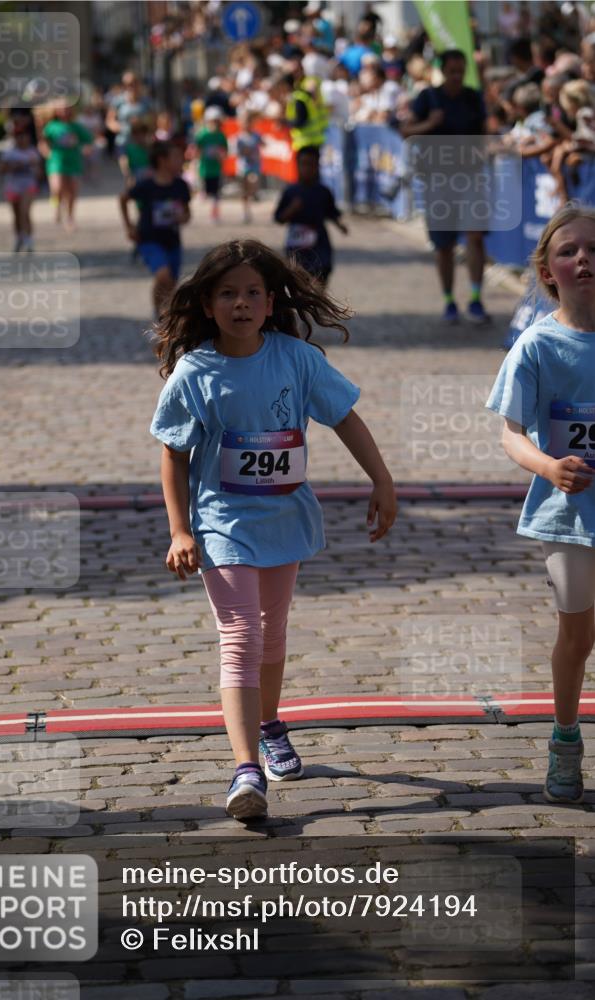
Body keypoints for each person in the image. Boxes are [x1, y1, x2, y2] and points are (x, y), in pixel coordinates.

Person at [150, 239, 397, 820]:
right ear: (207, 304)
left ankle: (269, 723)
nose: (241, 303)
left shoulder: (297, 359)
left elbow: (345, 418)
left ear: (270, 301)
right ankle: (246, 771)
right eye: (228, 293)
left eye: (252, 293)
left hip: (285, 518)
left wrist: (382, 480)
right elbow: (173, 454)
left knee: (273, 630)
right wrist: (180, 531)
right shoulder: (195, 371)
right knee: (241, 636)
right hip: (223, 523)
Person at [486, 203, 595, 805]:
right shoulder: (537, 345)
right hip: (569, 514)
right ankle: (565, 737)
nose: (584, 259)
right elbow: (510, 433)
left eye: (594, 249)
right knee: (577, 637)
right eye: (569, 251)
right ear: (548, 271)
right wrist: (551, 467)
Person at [401, 49, 490, 325]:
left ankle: (475, 298)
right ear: (442, 70)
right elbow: (406, 131)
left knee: (475, 237)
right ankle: (449, 300)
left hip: (470, 178)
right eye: (452, 71)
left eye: (460, 70)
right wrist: (430, 123)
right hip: (438, 181)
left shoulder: (473, 97)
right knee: (445, 245)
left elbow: (485, 132)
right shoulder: (428, 97)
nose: (456, 76)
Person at [120, 140, 191, 318]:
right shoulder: (146, 185)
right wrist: (129, 227)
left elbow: (187, 213)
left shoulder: (181, 185)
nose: (181, 160)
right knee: (163, 276)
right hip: (149, 239)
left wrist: (183, 217)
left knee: (170, 283)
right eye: (176, 157)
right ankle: (159, 315)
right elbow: (123, 199)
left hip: (172, 240)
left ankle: (161, 315)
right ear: (162, 160)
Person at [274, 145, 348, 285]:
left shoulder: (323, 191)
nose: (308, 169)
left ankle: (318, 304)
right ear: (297, 165)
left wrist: (340, 226)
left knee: (321, 278)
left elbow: (331, 212)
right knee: (299, 282)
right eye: (304, 164)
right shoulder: (291, 191)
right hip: (297, 246)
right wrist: (291, 209)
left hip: (319, 242)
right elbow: (279, 218)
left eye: (312, 165)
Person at [40, 99, 93, 232]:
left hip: (73, 162)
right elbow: (43, 142)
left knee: (72, 192)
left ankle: (70, 218)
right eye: (61, 108)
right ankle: (56, 207)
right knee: (57, 188)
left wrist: (86, 148)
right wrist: (46, 152)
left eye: (66, 108)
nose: (64, 111)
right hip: (56, 161)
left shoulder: (76, 126)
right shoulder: (51, 126)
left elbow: (89, 140)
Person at [0, 125, 41, 251]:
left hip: (29, 185)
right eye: (19, 137)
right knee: (16, 214)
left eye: (24, 137)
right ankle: (19, 237)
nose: (22, 139)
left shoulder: (33, 152)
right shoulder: (9, 152)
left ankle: (29, 239)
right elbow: (0, 170)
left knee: (25, 211)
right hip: (12, 186)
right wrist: (14, 167)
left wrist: (34, 166)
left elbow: (40, 173)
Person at [194, 107, 228, 222]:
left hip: (216, 169)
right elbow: (196, 150)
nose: (215, 124)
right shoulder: (202, 135)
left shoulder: (221, 136)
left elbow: (225, 151)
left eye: (217, 121)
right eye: (213, 121)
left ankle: (214, 214)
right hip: (204, 169)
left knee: (216, 194)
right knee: (204, 194)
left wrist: (220, 155)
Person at [236, 110, 263, 224]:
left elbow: (263, 143)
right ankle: (246, 212)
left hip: (254, 165)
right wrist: (245, 151)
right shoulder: (240, 137)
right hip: (243, 166)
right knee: (244, 191)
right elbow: (238, 152)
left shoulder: (256, 135)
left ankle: (254, 193)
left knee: (254, 180)